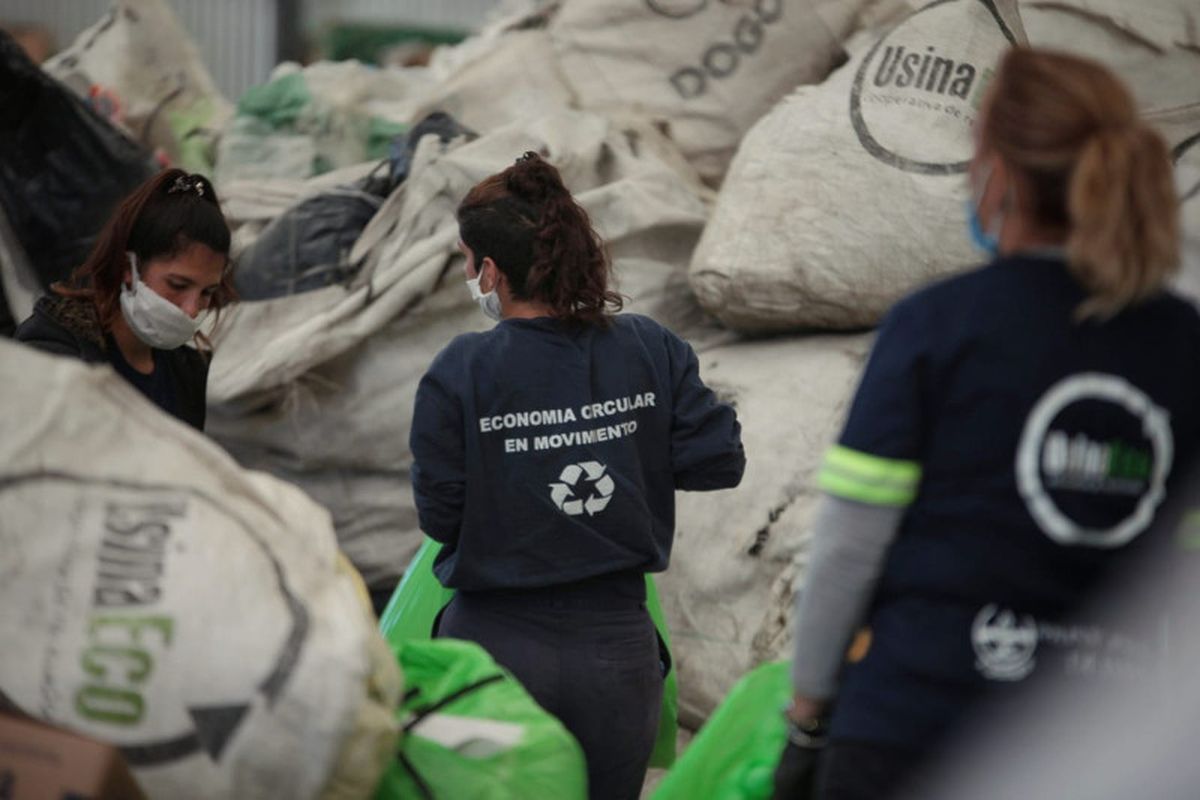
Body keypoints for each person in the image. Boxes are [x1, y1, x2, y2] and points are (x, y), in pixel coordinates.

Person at [778, 48, 1200, 800]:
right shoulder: (1185, 344)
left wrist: (809, 713)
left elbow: (849, 546)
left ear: (998, 173)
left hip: (914, 727)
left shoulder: (935, 326)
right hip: (1107, 750)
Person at [410, 151, 745, 799]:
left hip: (493, 650)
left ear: (489, 269)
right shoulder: (651, 348)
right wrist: (627, 443)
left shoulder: (462, 369)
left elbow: (440, 516)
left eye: (465, 261)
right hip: (617, 656)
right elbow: (718, 461)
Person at [15, 169, 234, 431]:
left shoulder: (188, 373)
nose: (191, 309)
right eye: (177, 285)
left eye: (207, 292)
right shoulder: (54, 353)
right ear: (127, 268)